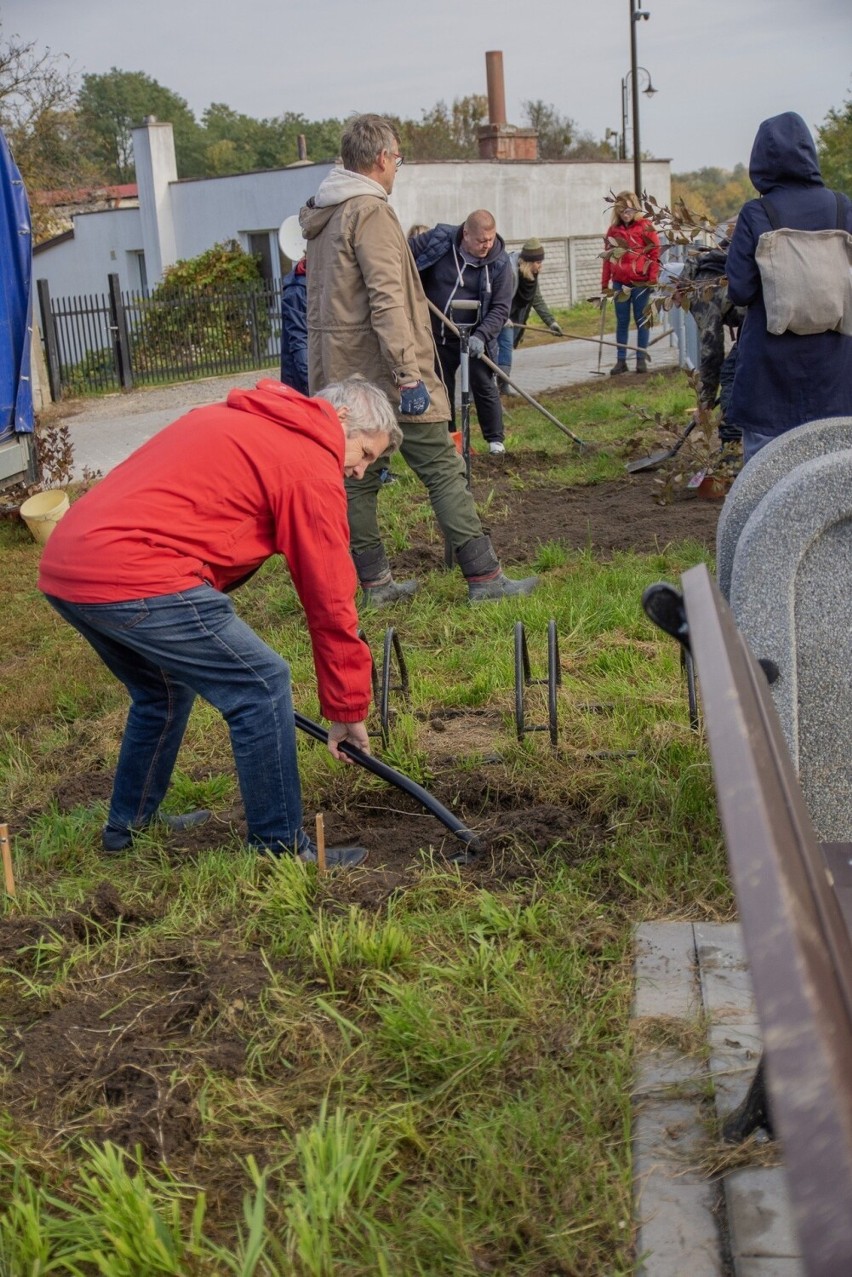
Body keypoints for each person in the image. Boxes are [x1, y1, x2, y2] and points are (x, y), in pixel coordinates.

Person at [37, 376, 402, 866]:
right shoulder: (309, 461)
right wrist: (346, 708)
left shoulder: (241, 418)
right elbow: (331, 598)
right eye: (365, 454)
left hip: (68, 564)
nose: (359, 471)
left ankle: (128, 829)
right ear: (341, 423)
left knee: (162, 692)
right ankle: (278, 849)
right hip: (136, 572)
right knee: (261, 684)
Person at [300, 114, 537, 603]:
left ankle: (376, 585)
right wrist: (408, 376)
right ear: (383, 158)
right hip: (385, 373)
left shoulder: (323, 216)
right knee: (441, 468)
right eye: (398, 159)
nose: (397, 169)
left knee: (358, 478)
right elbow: (386, 298)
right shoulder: (369, 211)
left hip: (341, 371)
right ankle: (485, 579)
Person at [725, 111, 852, 463]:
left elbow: (740, 290)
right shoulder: (843, 207)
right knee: (836, 476)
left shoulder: (756, 213)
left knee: (766, 483)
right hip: (836, 370)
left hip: (770, 369)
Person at [409, 210, 512, 454]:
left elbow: (501, 308)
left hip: (474, 337)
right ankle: (452, 441)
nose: (487, 245)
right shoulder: (440, 239)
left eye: (491, 239)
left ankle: (495, 441)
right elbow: (402, 252)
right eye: (481, 240)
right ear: (466, 233)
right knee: (441, 388)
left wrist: (482, 336)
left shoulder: (499, 263)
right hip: (438, 334)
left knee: (483, 382)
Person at [675, 222, 744, 447]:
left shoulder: (698, 294)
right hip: (759, 317)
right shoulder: (711, 267)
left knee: (730, 375)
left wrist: (704, 402)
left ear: (678, 290)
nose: (677, 305)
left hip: (763, 320)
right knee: (740, 372)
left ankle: (731, 446)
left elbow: (712, 351)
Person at [601, 191, 660, 374]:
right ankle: (621, 361)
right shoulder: (613, 231)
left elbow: (654, 253)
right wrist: (605, 283)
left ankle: (641, 359)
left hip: (641, 283)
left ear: (635, 207)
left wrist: (652, 278)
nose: (625, 213)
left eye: (627, 209)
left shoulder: (646, 227)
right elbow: (608, 257)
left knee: (641, 321)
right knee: (622, 321)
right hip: (620, 283)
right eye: (621, 210)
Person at [496, 238, 563, 394]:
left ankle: (500, 383)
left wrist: (551, 322)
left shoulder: (531, 276)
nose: (541, 266)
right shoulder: (510, 272)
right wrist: (502, 317)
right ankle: (500, 385)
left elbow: (537, 299)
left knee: (507, 347)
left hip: (514, 316)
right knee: (503, 346)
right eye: (538, 262)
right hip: (500, 313)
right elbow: (498, 296)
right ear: (530, 262)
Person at [279, 217, 309, 395]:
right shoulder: (297, 289)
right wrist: (316, 386)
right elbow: (300, 342)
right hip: (301, 385)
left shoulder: (318, 282)